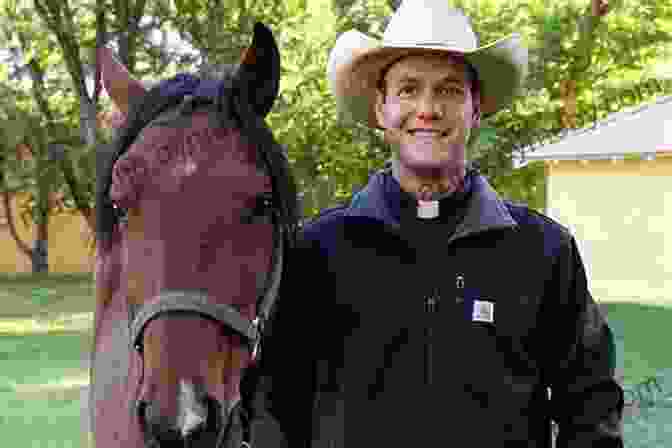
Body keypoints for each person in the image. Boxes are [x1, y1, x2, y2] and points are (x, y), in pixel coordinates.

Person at [250, 1, 624, 447]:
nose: (427, 109)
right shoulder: (316, 252)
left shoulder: (543, 252)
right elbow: (273, 411)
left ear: (476, 111)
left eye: (448, 90)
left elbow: (592, 407)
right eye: (408, 90)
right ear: (380, 110)